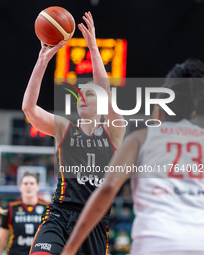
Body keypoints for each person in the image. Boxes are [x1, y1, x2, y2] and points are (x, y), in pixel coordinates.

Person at [61, 58, 204, 255]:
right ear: (193, 111)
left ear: (160, 106)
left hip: (156, 242)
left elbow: (108, 188)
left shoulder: (140, 138)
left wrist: (70, 248)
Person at [22, 12, 125, 255]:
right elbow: (29, 108)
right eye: (79, 94)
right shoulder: (64, 128)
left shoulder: (114, 130)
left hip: (94, 223)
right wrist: (42, 61)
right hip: (59, 214)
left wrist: (92, 46)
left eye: (89, 94)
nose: (82, 97)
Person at [0, 172, 49, 255]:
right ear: (20, 187)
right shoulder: (11, 207)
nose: (28, 186)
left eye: (32, 183)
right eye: (25, 183)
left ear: (38, 186)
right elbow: (1, 237)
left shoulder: (48, 208)